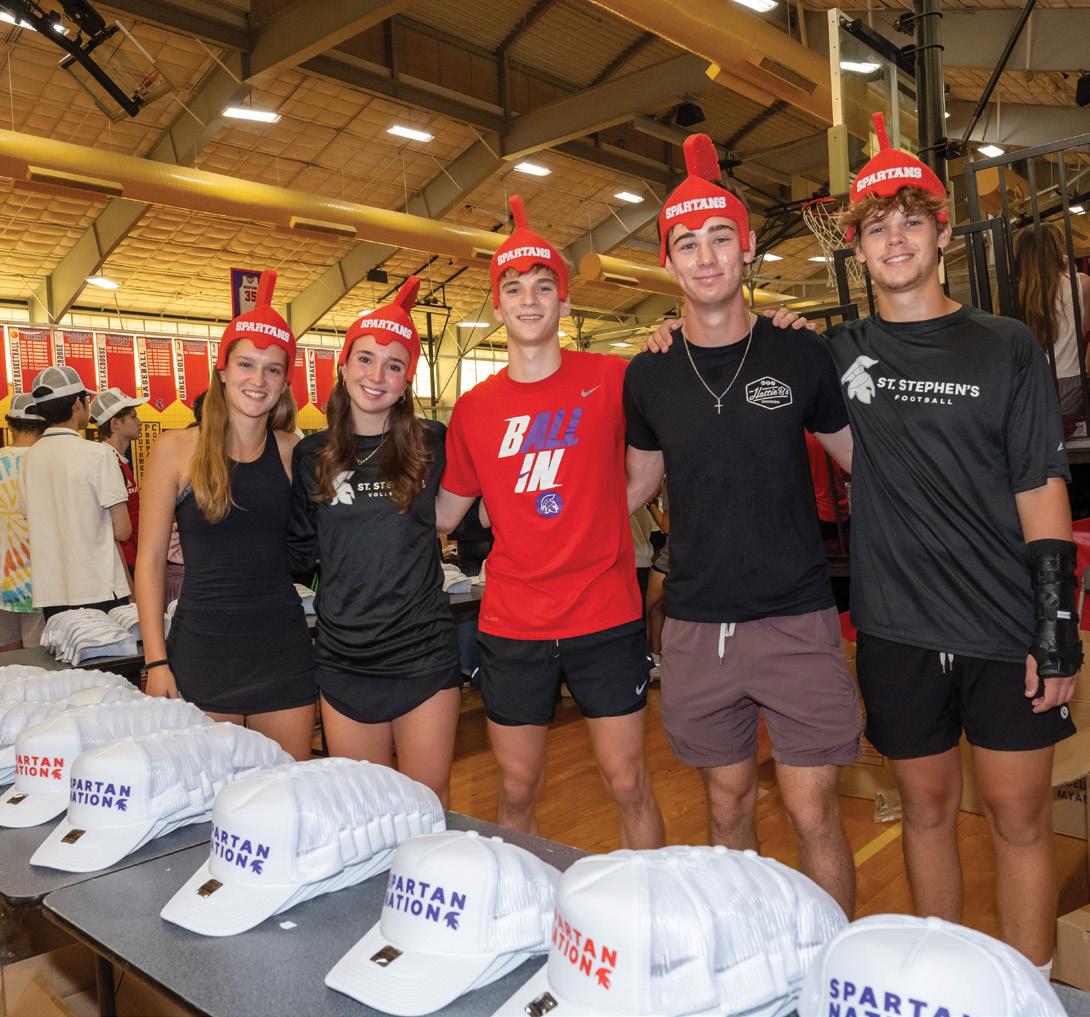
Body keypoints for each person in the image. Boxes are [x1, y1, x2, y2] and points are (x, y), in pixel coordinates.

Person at [648, 115, 1080, 971]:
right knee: (925, 811)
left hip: (1004, 625)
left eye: (912, 221)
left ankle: (1029, 991)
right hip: (897, 628)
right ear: (855, 246)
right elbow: (738, 351)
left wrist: (1055, 622)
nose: (896, 239)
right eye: (878, 227)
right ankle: (942, 981)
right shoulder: (831, 353)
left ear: (943, 232)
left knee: (1020, 818)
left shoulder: (1006, 346)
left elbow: (1041, 485)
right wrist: (673, 334)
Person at [624, 134, 860, 916]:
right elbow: (636, 485)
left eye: (720, 237)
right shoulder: (649, 371)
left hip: (795, 616)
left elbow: (864, 461)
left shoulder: (800, 353)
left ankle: (830, 960)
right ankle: (747, 954)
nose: (706, 256)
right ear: (668, 261)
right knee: (727, 808)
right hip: (697, 625)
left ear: (748, 246)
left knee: (813, 810)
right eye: (688, 242)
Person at [434, 195, 667, 848]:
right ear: (498, 305)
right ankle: (522, 902)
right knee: (516, 788)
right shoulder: (474, 408)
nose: (529, 299)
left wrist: (595, 515)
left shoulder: (614, 378)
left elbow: (647, 469)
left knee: (629, 782)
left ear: (565, 301)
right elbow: (444, 512)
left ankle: (651, 899)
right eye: (514, 288)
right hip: (514, 622)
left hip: (605, 614)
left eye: (543, 286)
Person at [288, 277, 461, 803]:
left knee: (427, 802)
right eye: (365, 359)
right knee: (364, 808)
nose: (377, 375)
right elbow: (297, 553)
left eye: (393, 365)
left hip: (423, 653)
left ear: (407, 381)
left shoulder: (432, 444)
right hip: (344, 659)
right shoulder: (312, 456)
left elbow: (475, 510)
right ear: (343, 367)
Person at [135, 272, 316, 760]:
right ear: (221, 370)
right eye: (246, 365)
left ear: (285, 382)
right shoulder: (176, 450)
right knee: (207, 797)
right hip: (202, 653)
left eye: (273, 370)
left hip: (282, 652)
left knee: (287, 792)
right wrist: (156, 660)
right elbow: (149, 560)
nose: (258, 381)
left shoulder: (293, 452)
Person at [19, 365, 131, 619]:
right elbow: (123, 530)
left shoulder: (29, 459)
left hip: (52, 593)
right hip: (99, 588)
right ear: (77, 404)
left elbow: (32, 518)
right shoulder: (98, 454)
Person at [1013, 222, 1090, 420]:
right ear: (1057, 250)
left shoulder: (1011, 292)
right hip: (1072, 382)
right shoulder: (1081, 283)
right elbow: (1083, 330)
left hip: (1027, 385)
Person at [0, 394, 47, 649]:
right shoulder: (49, 463)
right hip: (41, 584)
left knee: (6, 660)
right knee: (39, 661)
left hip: (2, 583)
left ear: (10, 426)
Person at [89, 388, 147, 579]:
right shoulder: (106, 461)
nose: (140, 422)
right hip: (120, 565)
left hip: (133, 558)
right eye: (133, 417)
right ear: (115, 423)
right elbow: (118, 530)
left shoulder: (118, 461)